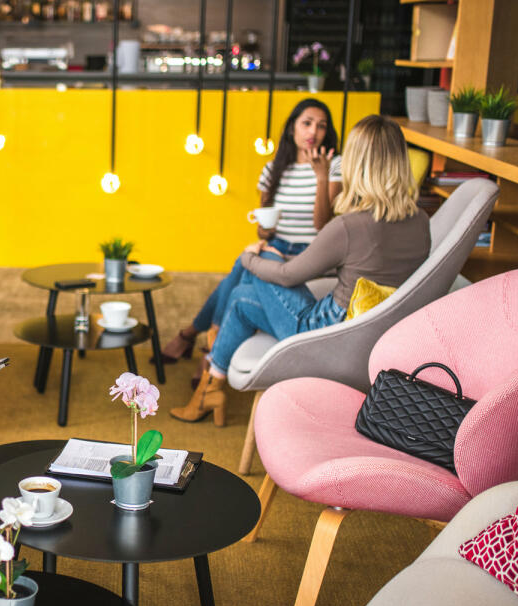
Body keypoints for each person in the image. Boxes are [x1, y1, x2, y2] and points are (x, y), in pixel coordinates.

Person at [169, 115, 431, 425]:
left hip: (326, 333)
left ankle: (205, 363)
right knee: (241, 298)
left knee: (259, 265)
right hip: (373, 334)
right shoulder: (421, 221)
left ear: (357, 163)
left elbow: (288, 276)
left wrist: (250, 256)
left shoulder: (350, 226)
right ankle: (209, 387)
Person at [159, 99, 343, 386]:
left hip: (312, 254)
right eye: (307, 123)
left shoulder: (334, 165)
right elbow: (262, 229)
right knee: (246, 265)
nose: (313, 131)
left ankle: (196, 339)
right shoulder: (273, 169)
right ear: (292, 128)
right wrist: (265, 236)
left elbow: (323, 224)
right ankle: (208, 349)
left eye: (321, 126)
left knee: (245, 266)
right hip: (277, 247)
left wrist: (321, 177)